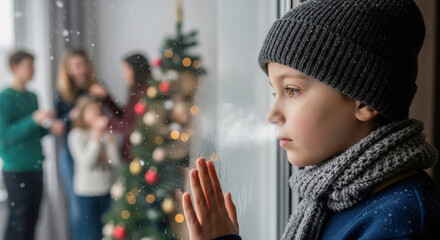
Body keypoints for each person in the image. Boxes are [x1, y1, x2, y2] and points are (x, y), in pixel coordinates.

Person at [181, 0, 440, 239]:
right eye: (274, 92)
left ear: (365, 101)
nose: (272, 115)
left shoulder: (403, 222)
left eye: (292, 90)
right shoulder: (331, 199)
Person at [0, 50, 64, 240]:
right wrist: (33, 120)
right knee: (18, 224)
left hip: (36, 166)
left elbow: (32, 132)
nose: (33, 70)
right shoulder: (4, 98)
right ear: (14, 67)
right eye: (29, 66)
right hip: (16, 170)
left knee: (33, 220)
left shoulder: (32, 96)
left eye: (33, 66)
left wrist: (49, 128)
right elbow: (4, 136)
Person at [54, 49, 97, 240]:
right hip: (72, 153)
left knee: (99, 204)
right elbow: (57, 125)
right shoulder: (62, 94)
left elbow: (111, 114)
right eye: (75, 66)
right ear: (68, 69)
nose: (80, 70)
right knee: (78, 206)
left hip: (98, 149)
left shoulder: (95, 88)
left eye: (82, 64)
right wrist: (70, 117)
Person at [68, 96, 121, 240]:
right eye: (92, 111)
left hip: (107, 189)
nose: (96, 114)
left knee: (108, 231)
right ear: (82, 114)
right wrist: (95, 137)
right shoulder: (76, 135)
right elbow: (86, 162)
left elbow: (116, 162)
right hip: (87, 192)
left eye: (99, 111)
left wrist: (111, 143)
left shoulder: (107, 133)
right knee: (91, 232)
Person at [89, 53, 151, 162]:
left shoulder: (145, 94)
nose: (123, 75)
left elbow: (133, 127)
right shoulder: (136, 92)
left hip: (139, 156)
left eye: (125, 70)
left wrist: (107, 122)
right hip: (133, 155)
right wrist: (107, 97)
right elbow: (125, 117)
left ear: (135, 71)